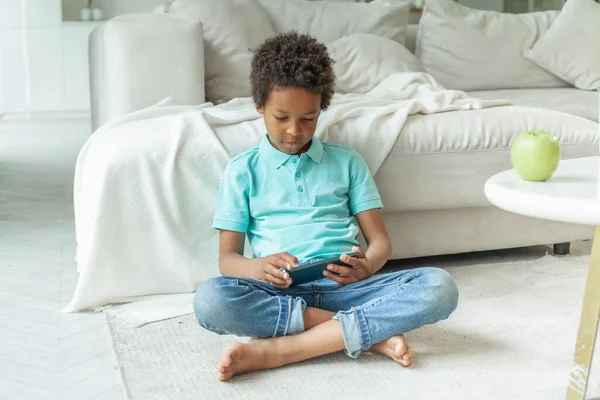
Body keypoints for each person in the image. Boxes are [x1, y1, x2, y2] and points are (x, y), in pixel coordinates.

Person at [193, 31, 459, 382]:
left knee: (440, 287)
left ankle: (281, 350)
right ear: (259, 105)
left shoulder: (347, 162)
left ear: (322, 109)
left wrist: (367, 267)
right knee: (211, 300)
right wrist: (260, 268)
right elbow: (228, 261)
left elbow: (380, 242)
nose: (294, 130)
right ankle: (370, 336)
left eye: (308, 118)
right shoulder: (242, 171)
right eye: (281, 117)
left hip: (349, 290)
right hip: (281, 293)